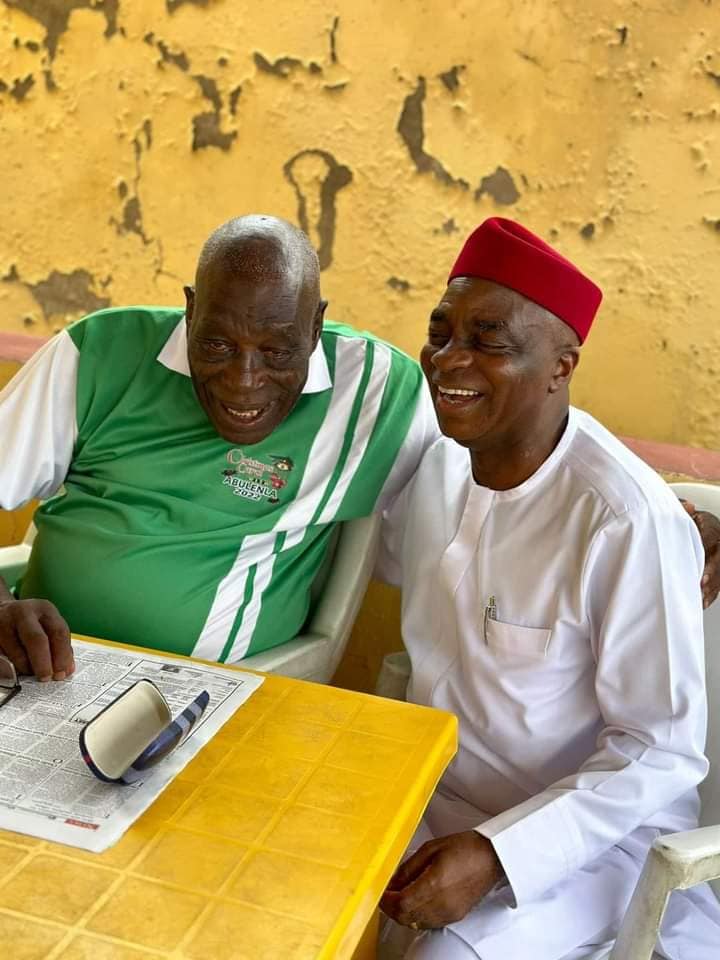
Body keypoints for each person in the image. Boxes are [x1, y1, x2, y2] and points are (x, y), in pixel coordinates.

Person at [378, 218, 720, 959]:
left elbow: (660, 753)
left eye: (489, 340)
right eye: (441, 331)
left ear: (561, 366)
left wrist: (500, 854)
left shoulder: (623, 522)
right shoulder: (435, 464)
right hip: (434, 803)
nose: (448, 359)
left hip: (590, 843)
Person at [0, 215, 437, 680]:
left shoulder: (376, 393)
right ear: (190, 310)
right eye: (216, 344)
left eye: (277, 352)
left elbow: (459, 541)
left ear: (315, 327)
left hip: (206, 693)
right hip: (37, 671)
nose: (243, 381)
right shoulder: (98, 352)